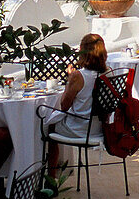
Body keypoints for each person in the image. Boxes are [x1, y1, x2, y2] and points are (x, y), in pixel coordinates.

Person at [46, 33, 108, 175]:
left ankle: (51, 177)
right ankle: (61, 170)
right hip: (99, 129)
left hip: (80, 129)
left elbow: (64, 105)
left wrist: (70, 80)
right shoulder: (109, 73)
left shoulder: (78, 76)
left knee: (48, 126)